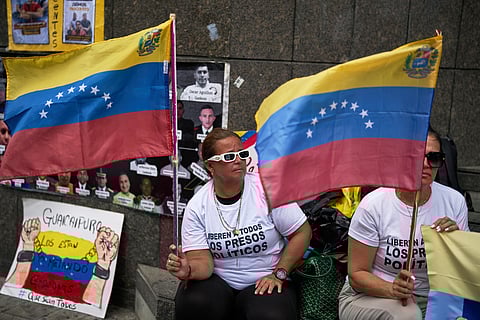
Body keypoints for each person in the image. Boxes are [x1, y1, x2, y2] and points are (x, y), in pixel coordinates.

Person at [166, 128, 312, 320]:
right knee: (196, 303)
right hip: (218, 279)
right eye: (229, 157)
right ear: (211, 166)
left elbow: (302, 233)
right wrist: (189, 270)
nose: (238, 160)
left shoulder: (266, 190)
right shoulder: (197, 206)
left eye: (242, 154)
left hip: (266, 276)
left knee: (270, 315)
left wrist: (280, 273)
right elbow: (203, 262)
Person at [338, 126, 470, 320]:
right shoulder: (374, 205)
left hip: (432, 298)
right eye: (418, 156)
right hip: (370, 295)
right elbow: (357, 275)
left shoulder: (454, 201)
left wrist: (455, 241)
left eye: (433, 158)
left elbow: (462, 269)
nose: (426, 164)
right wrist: (392, 289)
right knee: (407, 315)